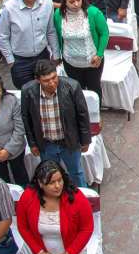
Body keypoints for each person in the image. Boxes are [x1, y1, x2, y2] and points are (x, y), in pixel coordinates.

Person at [21, 60, 91, 188]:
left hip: (69, 142)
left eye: (54, 77)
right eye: (46, 80)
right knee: (50, 175)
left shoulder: (72, 86)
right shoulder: (28, 91)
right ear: (38, 80)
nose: (52, 82)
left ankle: (81, 199)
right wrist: (32, 143)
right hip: (46, 144)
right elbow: (27, 119)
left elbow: (83, 115)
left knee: (76, 173)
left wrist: (85, 140)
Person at [0, 0, 58, 89]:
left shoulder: (47, 2)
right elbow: (3, 36)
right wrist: (10, 60)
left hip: (42, 56)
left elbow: (51, 30)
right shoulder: (9, 8)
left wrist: (56, 53)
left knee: (47, 89)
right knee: (26, 93)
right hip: (20, 61)